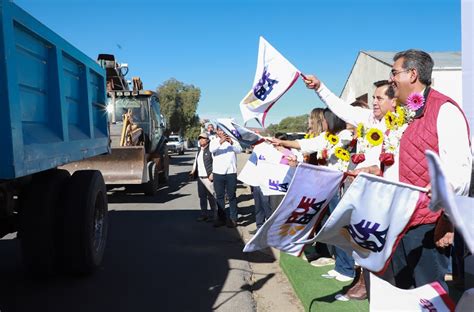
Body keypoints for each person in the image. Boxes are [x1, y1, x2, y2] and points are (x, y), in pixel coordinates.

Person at [376, 49, 471, 291]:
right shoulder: (403, 114)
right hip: (398, 221)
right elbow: (400, 161)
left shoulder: (444, 109)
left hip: (428, 225)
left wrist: (447, 219)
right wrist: (375, 170)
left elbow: (459, 172)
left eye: (394, 72)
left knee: (431, 295)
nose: (391, 79)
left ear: (413, 74)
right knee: (402, 293)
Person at [209, 126, 242, 228]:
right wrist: (221, 141)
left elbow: (240, 150)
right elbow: (211, 149)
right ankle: (221, 219)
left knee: (232, 196)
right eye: (219, 130)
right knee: (219, 197)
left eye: (223, 130)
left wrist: (231, 143)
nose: (222, 132)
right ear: (217, 131)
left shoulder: (233, 140)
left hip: (231, 172)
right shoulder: (214, 141)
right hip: (218, 173)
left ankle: (233, 219)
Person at [189, 132, 218, 222]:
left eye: (203, 138)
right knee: (202, 197)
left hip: (208, 177)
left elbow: (216, 162)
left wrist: (212, 173)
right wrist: (193, 171)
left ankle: (215, 215)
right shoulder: (199, 150)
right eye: (200, 139)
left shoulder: (211, 150)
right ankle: (204, 214)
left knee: (211, 197)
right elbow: (196, 161)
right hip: (200, 178)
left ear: (207, 140)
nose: (201, 140)